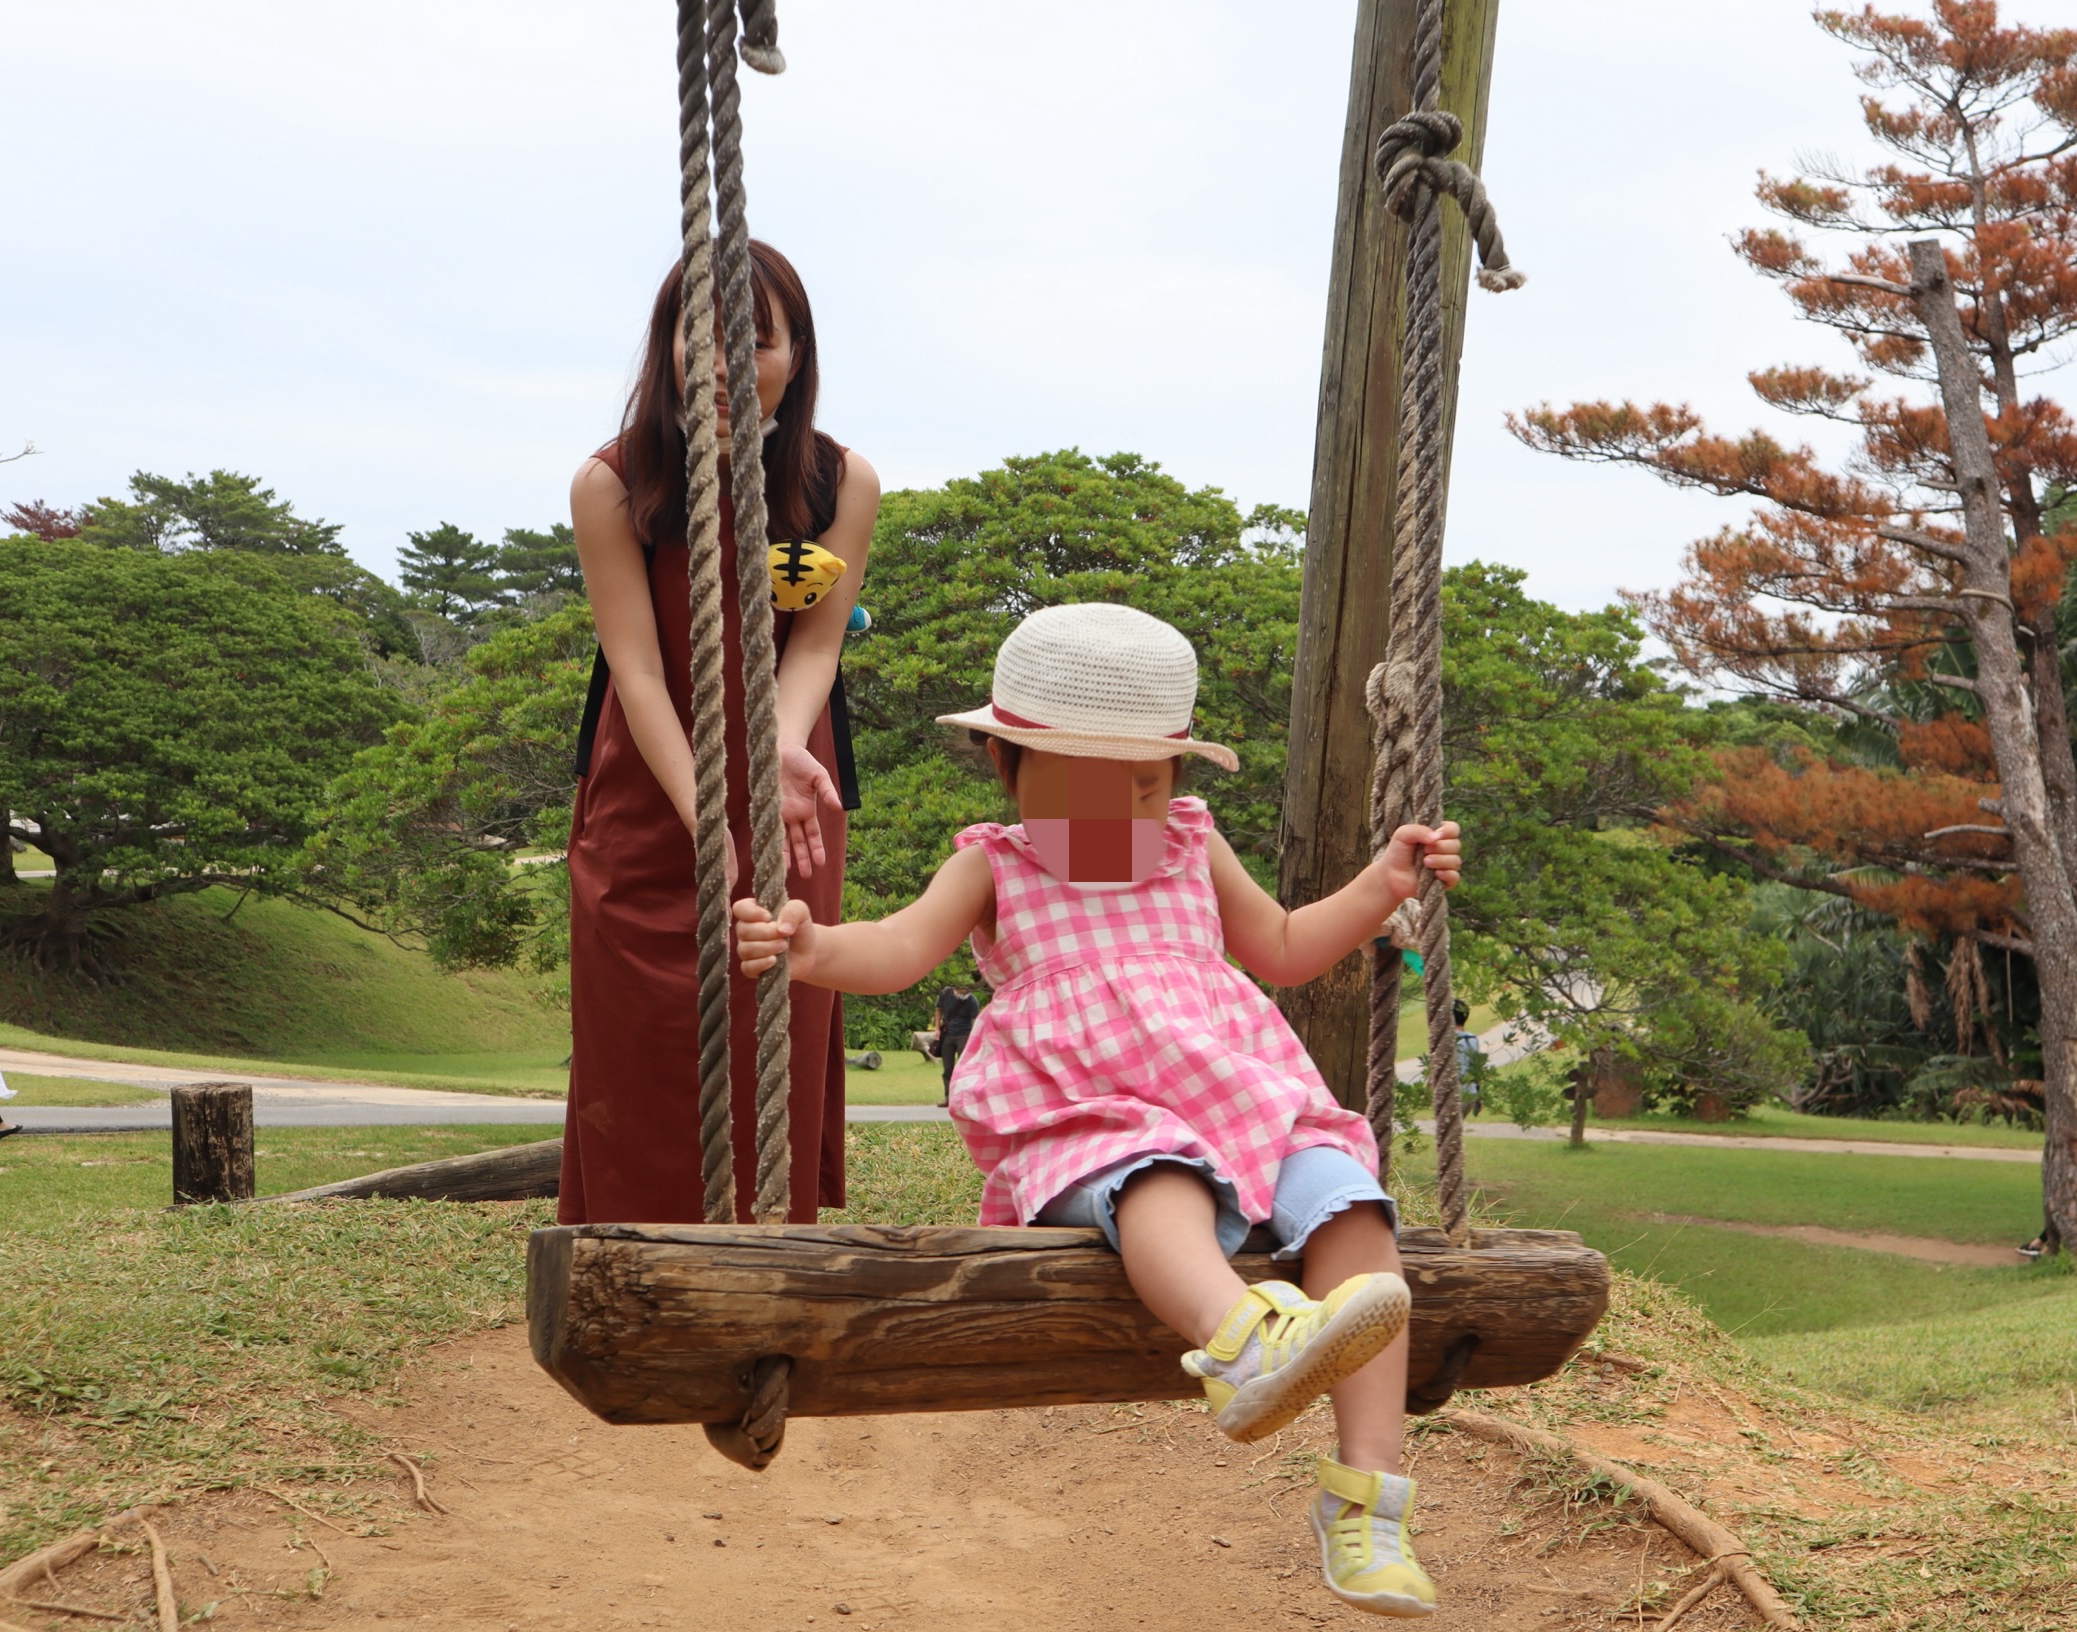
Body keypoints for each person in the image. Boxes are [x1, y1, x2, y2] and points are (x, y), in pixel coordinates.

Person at [736, 603, 1462, 1617]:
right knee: (1157, 1170)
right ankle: (1241, 1341)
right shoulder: (996, 863)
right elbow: (901, 949)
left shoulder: (1192, 848)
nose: (1121, 809)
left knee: (1352, 1203)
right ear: (1007, 767)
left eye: (1145, 784)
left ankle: (1368, 1505)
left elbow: (1288, 945)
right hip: (1090, 1116)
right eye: (1081, 784)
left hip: (1243, 1095)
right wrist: (812, 948)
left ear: (1173, 778)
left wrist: (1381, 887)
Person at [559, 239, 879, 1225]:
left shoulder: (841, 484)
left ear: (798, 353)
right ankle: (632, 1281)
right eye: (707, 334)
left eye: (762, 338)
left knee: (770, 1021)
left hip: (792, 790)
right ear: (673, 348)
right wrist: (709, 815)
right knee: (643, 1045)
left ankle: (767, 1267)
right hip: (646, 790)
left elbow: (814, 650)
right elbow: (640, 667)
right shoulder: (612, 484)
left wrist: (778, 756)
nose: (735, 361)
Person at [931, 981, 981, 1106]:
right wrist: (937, 1028)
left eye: (966, 991)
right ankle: (949, 1098)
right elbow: (938, 1009)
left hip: (964, 1035)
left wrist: (975, 1037)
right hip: (948, 1034)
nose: (964, 994)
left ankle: (964, 1099)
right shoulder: (946, 993)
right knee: (947, 1068)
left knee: (963, 1068)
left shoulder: (972, 1000)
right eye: (961, 991)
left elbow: (977, 1019)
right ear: (956, 988)